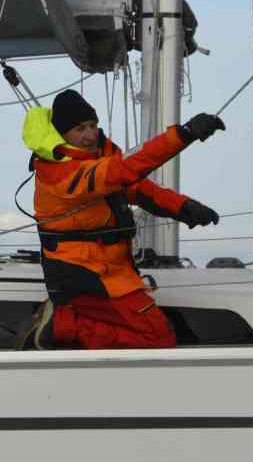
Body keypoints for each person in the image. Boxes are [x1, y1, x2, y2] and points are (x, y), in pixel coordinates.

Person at [22, 89, 222, 350]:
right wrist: (184, 134)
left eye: (92, 125)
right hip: (85, 274)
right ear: (63, 134)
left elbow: (137, 189)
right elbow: (125, 171)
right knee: (158, 339)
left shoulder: (98, 156)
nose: (90, 135)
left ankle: (71, 324)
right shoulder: (60, 172)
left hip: (112, 271)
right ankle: (60, 326)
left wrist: (184, 208)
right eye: (80, 129)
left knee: (160, 333)